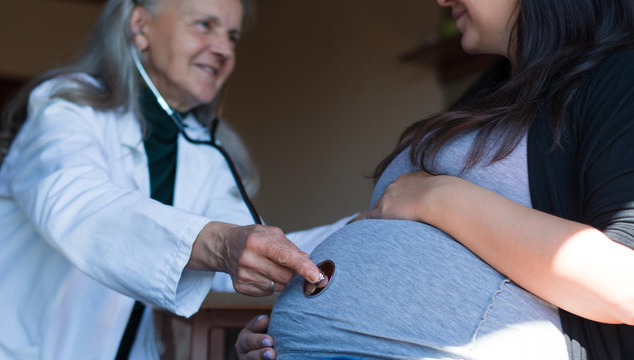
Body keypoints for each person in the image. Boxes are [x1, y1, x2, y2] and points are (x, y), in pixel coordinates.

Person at [236, 0, 634, 359]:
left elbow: (625, 285)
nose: (441, 0)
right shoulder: (493, 90)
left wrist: (436, 197)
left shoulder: (619, 77)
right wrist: (293, 327)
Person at [0, 0, 343, 358]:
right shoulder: (64, 109)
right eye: (205, 25)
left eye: (233, 36)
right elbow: (80, 208)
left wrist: (365, 225)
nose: (224, 49)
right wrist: (222, 244)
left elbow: (256, 247)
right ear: (140, 26)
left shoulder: (204, 149)